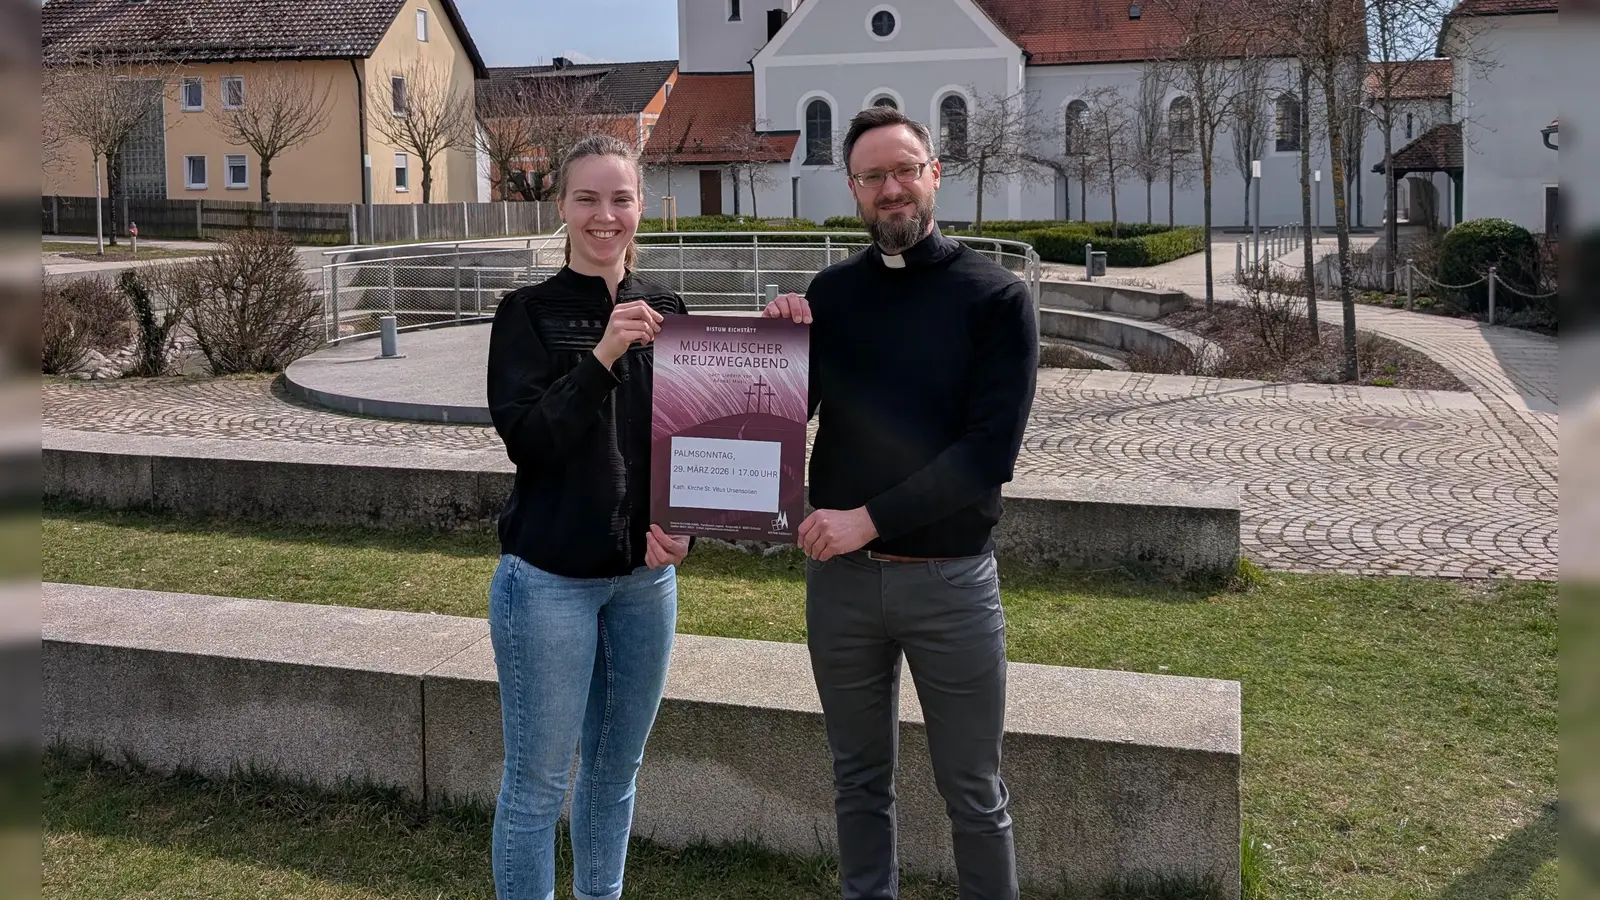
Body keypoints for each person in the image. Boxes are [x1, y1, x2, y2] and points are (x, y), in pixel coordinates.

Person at [763, 105, 1039, 900]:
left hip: (950, 583)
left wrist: (866, 520)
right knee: (856, 782)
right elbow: (788, 413)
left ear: (934, 175)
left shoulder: (996, 298)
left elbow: (988, 456)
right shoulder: (834, 294)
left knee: (975, 795)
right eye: (875, 176)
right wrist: (776, 343)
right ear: (853, 189)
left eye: (905, 169)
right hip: (841, 589)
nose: (892, 188)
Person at [485, 133, 693, 900]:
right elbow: (529, 442)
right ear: (562, 208)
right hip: (547, 583)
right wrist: (601, 357)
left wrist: (687, 526)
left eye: (621, 198)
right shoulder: (527, 312)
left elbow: (689, 443)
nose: (605, 216)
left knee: (614, 778)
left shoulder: (670, 309)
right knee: (538, 786)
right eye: (587, 198)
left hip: (644, 583)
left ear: (642, 207)